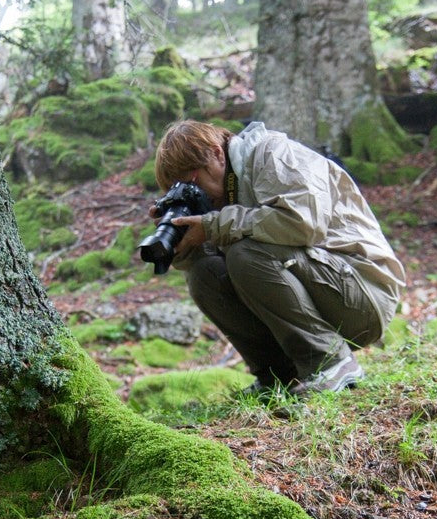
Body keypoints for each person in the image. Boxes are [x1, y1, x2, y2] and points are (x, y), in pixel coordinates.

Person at [152, 119, 405, 396]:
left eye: (193, 181)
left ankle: (331, 362)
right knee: (204, 274)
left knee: (244, 253)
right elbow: (214, 263)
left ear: (216, 153)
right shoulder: (223, 194)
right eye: (181, 188)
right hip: (325, 287)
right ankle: (279, 377)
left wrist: (215, 225)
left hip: (364, 294)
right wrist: (181, 240)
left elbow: (303, 224)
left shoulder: (272, 154)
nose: (194, 191)